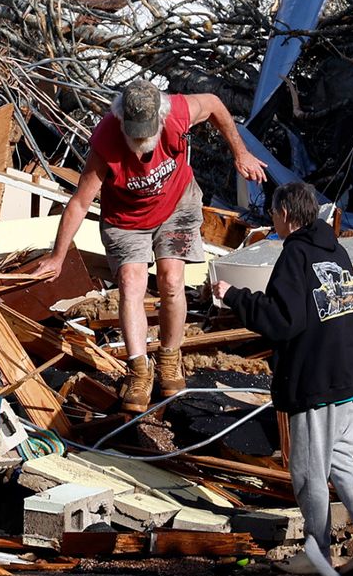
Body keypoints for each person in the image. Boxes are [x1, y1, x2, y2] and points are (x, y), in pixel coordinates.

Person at [32, 80, 267, 408]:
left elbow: (214, 102)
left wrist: (241, 153)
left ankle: (170, 358)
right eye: (135, 137)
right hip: (127, 219)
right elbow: (80, 202)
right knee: (131, 284)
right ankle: (139, 369)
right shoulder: (106, 141)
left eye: (146, 136)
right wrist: (58, 256)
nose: (141, 145)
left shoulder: (179, 113)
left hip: (177, 205)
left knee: (172, 280)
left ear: (160, 118)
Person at [211, 181, 353, 576]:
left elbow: (282, 321)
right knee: (341, 458)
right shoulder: (337, 252)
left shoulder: (295, 255)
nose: (273, 221)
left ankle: (317, 550)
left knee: (309, 469)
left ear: (287, 215)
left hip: (318, 379)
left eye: (274, 214)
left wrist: (234, 296)